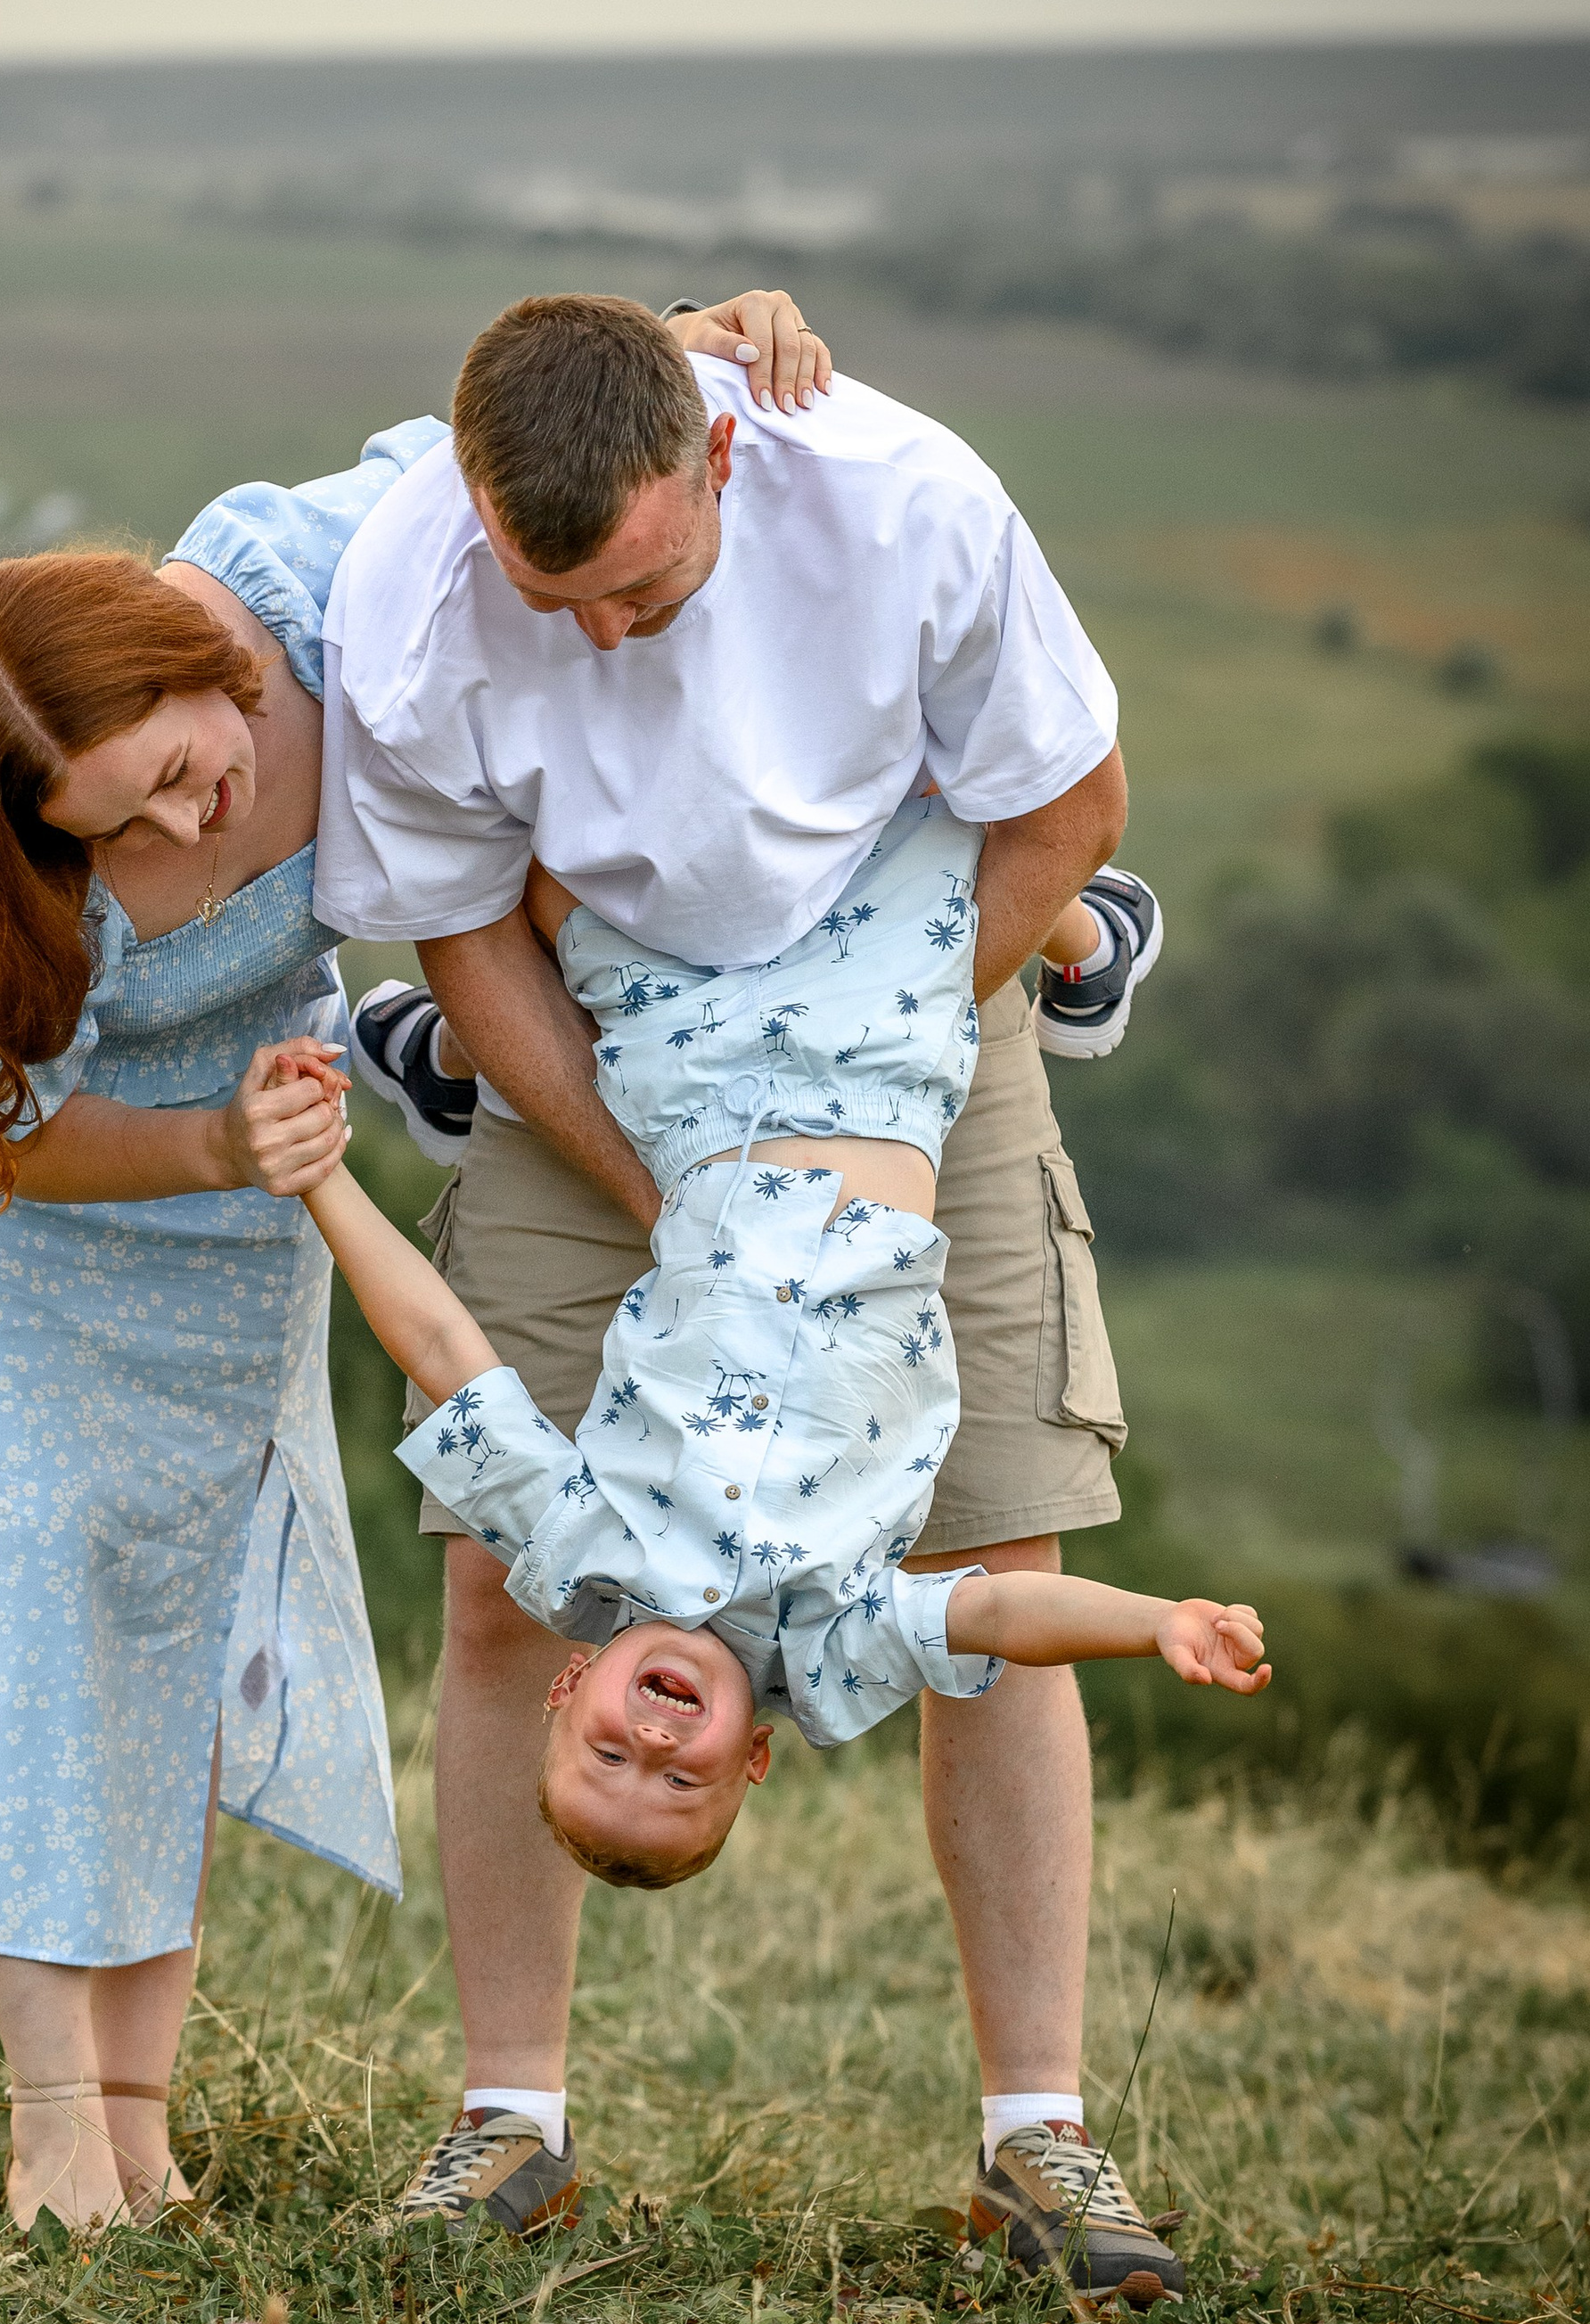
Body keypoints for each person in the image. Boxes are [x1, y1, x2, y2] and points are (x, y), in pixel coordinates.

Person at [0, 290, 826, 2240]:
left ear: (203, 653)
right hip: (6, 1201)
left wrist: (691, 326)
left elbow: (499, 439)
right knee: (34, 1602)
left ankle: (141, 2120)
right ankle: (51, 2139)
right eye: (122, 826)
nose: (189, 817)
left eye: (185, 766)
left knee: (176, 1615)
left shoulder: (306, 577)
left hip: (240, 1177)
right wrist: (206, 1139)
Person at [316, 290, 1186, 2302]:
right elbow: (459, 919)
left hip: (902, 1019)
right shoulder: (413, 604)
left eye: (640, 585)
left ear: (717, 454)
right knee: (493, 1571)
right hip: (584, 1042)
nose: (604, 635)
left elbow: (1064, 798)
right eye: (562, 602)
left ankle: (1036, 2141)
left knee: (994, 1547)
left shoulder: (901, 500)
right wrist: (670, 1180)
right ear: (467, 506)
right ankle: (505, 2126)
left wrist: (845, 1084)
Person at [275, 796, 1264, 1968]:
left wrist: (318, 1180)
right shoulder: (834, 1652)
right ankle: (1093, 936)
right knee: (932, 811)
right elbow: (997, 1610)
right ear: (752, 1758)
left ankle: (447, 1050)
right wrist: (1157, 1625)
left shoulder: (574, 1551)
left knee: (579, 866)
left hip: (695, 1100)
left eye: (609, 1754)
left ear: (568, 1691)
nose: (650, 1740)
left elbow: (443, 1353)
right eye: (679, 1776)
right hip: (884, 1075)